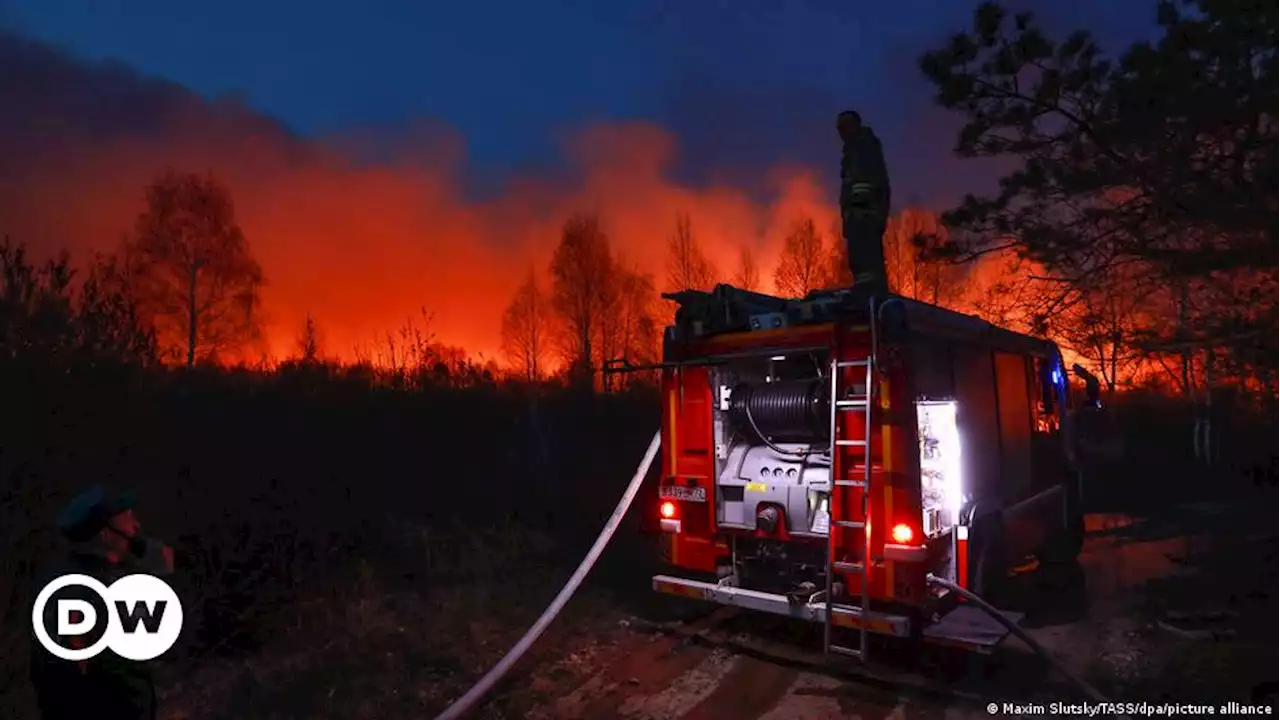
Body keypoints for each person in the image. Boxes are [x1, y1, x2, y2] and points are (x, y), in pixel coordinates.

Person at [29, 485, 175, 720]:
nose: (136, 526)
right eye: (127, 519)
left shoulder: (63, 580)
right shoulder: (89, 590)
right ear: (106, 535)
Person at [836, 110, 892, 295]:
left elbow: (867, 183)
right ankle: (864, 289)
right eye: (839, 128)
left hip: (865, 214)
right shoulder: (853, 150)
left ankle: (872, 291)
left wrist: (860, 208)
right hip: (857, 214)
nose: (841, 131)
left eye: (845, 126)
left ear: (855, 125)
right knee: (859, 258)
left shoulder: (865, 145)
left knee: (867, 255)